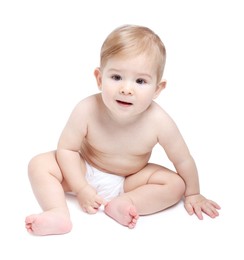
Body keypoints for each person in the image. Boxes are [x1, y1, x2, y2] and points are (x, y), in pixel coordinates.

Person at [25, 24, 221, 236]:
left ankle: (124, 203)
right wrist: (81, 187)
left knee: (175, 185)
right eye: (116, 77)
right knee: (39, 164)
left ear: (157, 89)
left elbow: (182, 160)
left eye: (140, 81)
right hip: (84, 169)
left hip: (131, 180)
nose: (126, 89)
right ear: (100, 78)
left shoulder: (160, 121)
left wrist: (194, 193)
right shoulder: (87, 109)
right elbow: (67, 150)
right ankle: (58, 212)